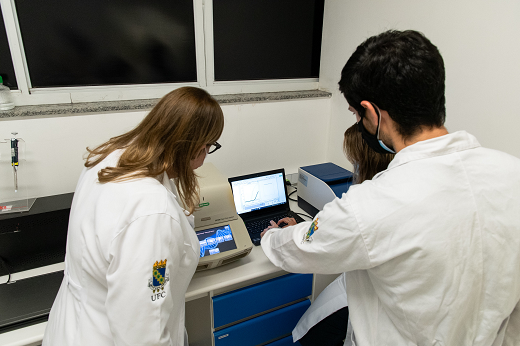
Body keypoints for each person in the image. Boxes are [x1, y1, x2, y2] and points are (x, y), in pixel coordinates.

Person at [261, 30, 520, 345]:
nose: (360, 123)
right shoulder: (512, 173)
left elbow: (300, 248)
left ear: (372, 113)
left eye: (358, 115)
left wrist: (271, 236)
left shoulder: (373, 203)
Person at [43, 87, 224, 346]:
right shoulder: (151, 213)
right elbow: (142, 333)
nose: (205, 157)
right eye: (208, 146)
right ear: (190, 146)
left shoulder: (110, 157)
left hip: (74, 324)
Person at [293, 123, 395, 346]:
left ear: (364, 161)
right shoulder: (397, 189)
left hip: (371, 296)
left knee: (314, 333)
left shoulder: (360, 204)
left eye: (354, 161)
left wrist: (286, 233)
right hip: (384, 292)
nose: (353, 169)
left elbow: (311, 243)